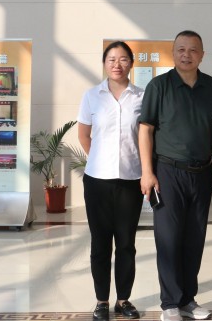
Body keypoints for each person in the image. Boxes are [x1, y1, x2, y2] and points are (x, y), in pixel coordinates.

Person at [138, 31, 212, 321]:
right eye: (181, 49)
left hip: (202, 172)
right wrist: (147, 172)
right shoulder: (159, 86)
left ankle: (188, 300)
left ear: (202, 55)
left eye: (193, 50)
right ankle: (170, 303)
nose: (187, 55)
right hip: (167, 172)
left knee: (195, 239)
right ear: (173, 53)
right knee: (169, 239)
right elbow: (145, 129)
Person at [78, 41, 145, 321]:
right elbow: (84, 135)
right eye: (112, 59)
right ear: (105, 63)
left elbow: (146, 136)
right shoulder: (92, 95)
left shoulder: (142, 96)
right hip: (97, 181)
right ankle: (101, 301)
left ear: (131, 63)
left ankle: (123, 300)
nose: (117, 64)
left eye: (123, 59)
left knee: (127, 243)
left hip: (131, 179)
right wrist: (100, 159)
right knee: (100, 243)